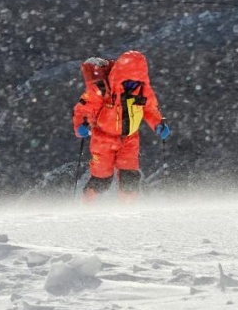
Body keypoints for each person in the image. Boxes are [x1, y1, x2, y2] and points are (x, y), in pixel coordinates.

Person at [72, 50, 170, 201]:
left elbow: (150, 109)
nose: (132, 86)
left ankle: (127, 212)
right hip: (103, 139)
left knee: (130, 178)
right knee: (101, 180)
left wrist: (158, 124)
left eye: (137, 81)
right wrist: (82, 124)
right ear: (119, 76)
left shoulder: (144, 90)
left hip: (130, 139)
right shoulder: (101, 89)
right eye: (128, 81)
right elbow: (84, 108)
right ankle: (87, 205)